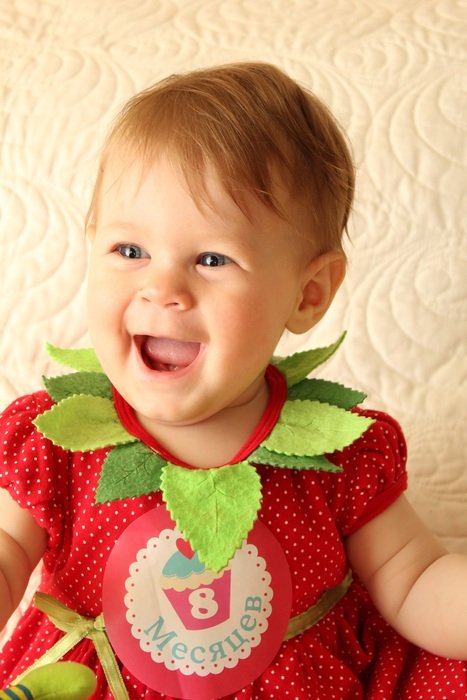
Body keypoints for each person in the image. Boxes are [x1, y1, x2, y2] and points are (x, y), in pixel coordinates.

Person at [0, 62, 466, 700]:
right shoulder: (58, 443)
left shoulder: (338, 458)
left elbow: (415, 581)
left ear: (307, 294)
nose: (162, 289)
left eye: (212, 259)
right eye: (129, 251)